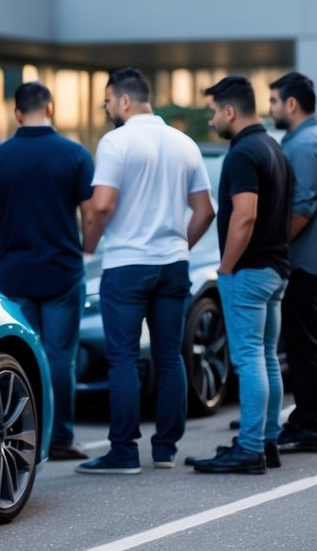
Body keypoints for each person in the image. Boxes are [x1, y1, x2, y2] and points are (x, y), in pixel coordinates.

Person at [77, 68, 215, 474]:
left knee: (122, 358)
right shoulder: (184, 143)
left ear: (123, 101)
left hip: (126, 263)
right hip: (173, 264)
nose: (106, 110)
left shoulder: (116, 142)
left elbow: (101, 205)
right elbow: (205, 210)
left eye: (106, 103)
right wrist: (179, 246)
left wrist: (89, 246)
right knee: (169, 355)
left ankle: (123, 453)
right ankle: (165, 450)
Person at [0, 82, 94, 461]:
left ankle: (25, 437)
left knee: (21, 359)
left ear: (17, 113)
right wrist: (84, 251)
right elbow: (91, 213)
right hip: (63, 271)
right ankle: (61, 439)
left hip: (17, 275)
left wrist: (0, 264)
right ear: (51, 109)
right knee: (61, 359)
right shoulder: (75, 154)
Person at [188, 75, 292, 475]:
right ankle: (266, 442)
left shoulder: (243, 153)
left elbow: (244, 216)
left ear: (230, 111)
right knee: (265, 357)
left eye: (214, 111)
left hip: (249, 271)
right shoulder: (273, 149)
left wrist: (226, 266)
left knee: (249, 358)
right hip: (275, 269)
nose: (213, 118)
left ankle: (250, 448)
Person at [267, 72, 317, 455]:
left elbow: (301, 207)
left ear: (291, 104)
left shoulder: (304, 144)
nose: (270, 109)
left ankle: (307, 425)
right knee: (307, 345)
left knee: (303, 346)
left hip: (307, 263)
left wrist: (276, 243)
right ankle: (305, 419)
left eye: (274, 102)